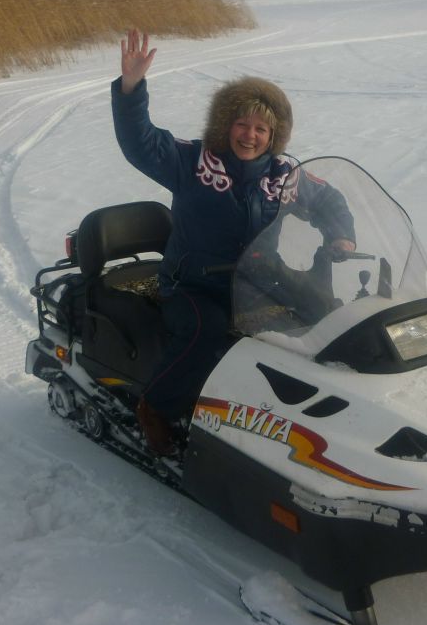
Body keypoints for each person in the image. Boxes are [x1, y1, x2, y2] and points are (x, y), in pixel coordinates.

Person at [112, 30, 355, 455]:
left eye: (261, 127)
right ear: (225, 125)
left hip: (260, 277)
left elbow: (329, 199)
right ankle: (157, 407)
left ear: (274, 134)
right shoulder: (191, 161)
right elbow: (141, 145)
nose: (249, 134)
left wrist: (342, 237)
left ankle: (335, 406)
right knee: (205, 331)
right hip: (192, 282)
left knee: (324, 310)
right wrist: (131, 89)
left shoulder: (284, 175)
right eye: (241, 123)